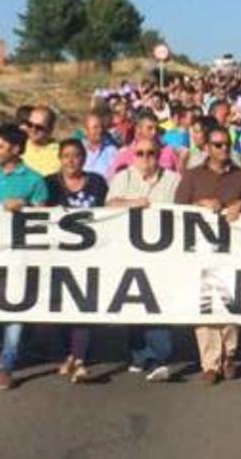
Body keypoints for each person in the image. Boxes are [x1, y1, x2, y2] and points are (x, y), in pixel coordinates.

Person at [175, 125, 241, 384]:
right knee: (205, 305)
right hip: (201, 250)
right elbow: (176, 209)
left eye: (227, 144)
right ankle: (210, 363)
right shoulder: (193, 176)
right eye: (217, 145)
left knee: (229, 302)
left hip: (233, 252)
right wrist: (199, 205)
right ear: (206, 148)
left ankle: (229, 354)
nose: (224, 149)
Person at [0, 123, 50, 390]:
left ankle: (7, 365)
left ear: (16, 149)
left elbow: (44, 218)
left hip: (20, 256)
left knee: (16, 310)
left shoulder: (34, 180)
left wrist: (25, 206)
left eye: (0, 146)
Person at [106, 136, 182, 382]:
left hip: (163, 255)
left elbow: (184, 212)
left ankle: (161, 358)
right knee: (134, 306)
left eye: (151, 153)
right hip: (129, 253)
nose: (146, 158)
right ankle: (139, 355)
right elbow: (109, 205)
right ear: (132, 155)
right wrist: (134, 203)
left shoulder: (173, 180)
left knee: (158, 304)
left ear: (159, 154)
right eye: (140, 153)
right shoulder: (123, 177)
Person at [45, 138, 110, 384]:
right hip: (56, 256)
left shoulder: (97, 183)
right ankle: (67, 354)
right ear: (59, 158)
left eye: (76, 156)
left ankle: (80, 358)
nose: (71, 161)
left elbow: (108, 213)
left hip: (89, 256)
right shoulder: (49, 184)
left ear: (84, 158)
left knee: (84, 305)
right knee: (59, 308)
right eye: (66, 156)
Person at [109, 109, 181, 177]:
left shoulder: (168, 151)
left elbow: (178, 179)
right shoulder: (124, 155)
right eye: (150, 128)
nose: (154, 132)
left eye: (156, 128)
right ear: (138, 129)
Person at [21, 105, 62, 176]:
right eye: (29, 124)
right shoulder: (16, 146)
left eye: (39, 127)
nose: (33, 130)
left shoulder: (61, 153)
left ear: (50, 129)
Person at [82, 111, 119, 177]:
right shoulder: (78, 150)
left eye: (101, 127)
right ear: (85, 131)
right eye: (95, 127)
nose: (100, 130)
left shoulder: (112, 151)